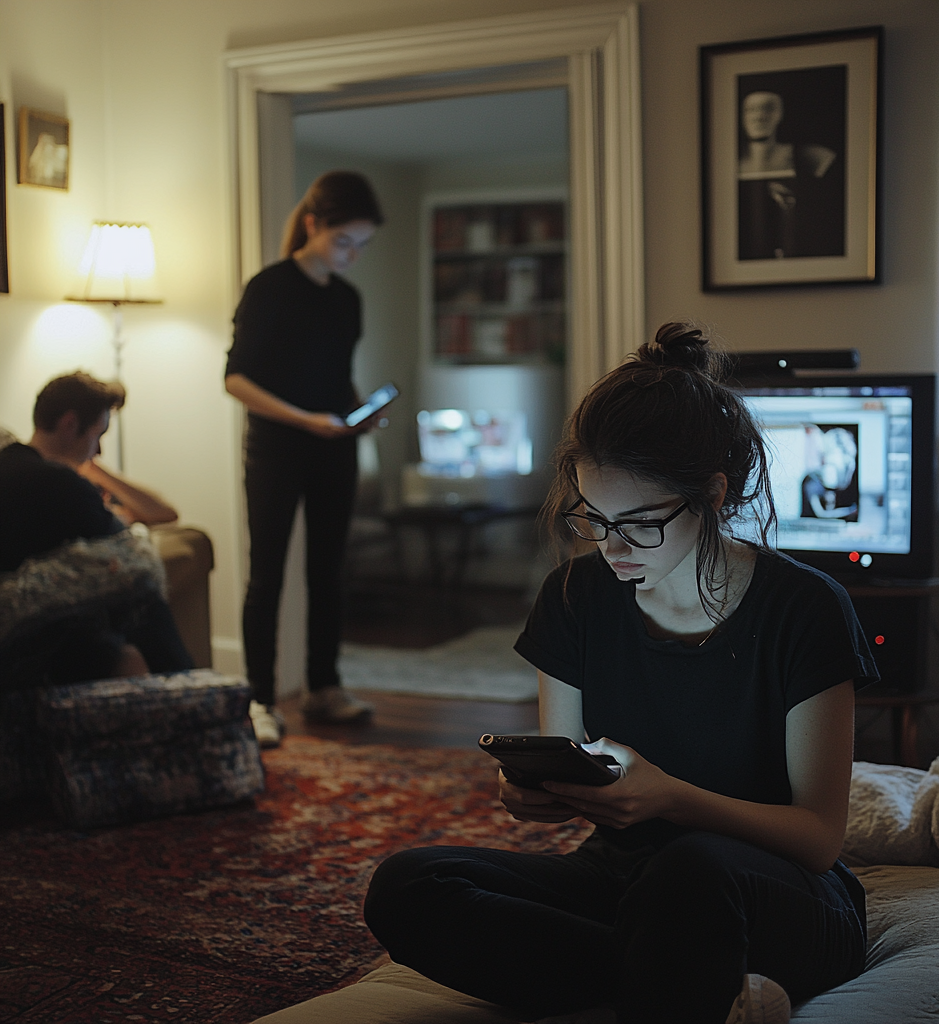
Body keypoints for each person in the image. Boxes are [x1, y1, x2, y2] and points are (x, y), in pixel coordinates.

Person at [364, 323, 878, 1024]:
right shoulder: (575, 597)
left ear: (715, 493)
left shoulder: (805, 608)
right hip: (623, 878)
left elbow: (818, 838)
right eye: (594, 517)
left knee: (689, 868)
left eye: (639, 523)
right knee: (409, 884)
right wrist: (536, 792)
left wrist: (668, 798)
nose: (612, 546)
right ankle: (684, 983)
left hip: (774, 891)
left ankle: (664, 977)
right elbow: (573, 770)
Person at [225, 170, 385, 749]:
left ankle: (324, 685)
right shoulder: (269, 288)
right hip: (276, 450)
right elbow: (236, 379)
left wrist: (356, 411)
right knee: (267, 575)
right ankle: (260, 700)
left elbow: (336, 375)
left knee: (328, 571)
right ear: (314, 225)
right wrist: (302, 419)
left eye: (362, 246)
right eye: (345, 242)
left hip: (334, 448)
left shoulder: (348, 300)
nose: (352, 255)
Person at [0, 371, 191, 683]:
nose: (98, 450)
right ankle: (191, 690)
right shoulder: (59, 485)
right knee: (140, 595)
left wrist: (91, 469)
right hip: (26, 637)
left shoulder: (11, 464)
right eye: (97, 435)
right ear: (70, 425)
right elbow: (130, 551)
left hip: (22, 630)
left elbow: (164, 512)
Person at [737, 89, 843, 261]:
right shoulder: (731, 163)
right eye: (751, 110)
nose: (759, 117)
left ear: (780, 114)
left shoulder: (809, 156)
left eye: (768, 109)